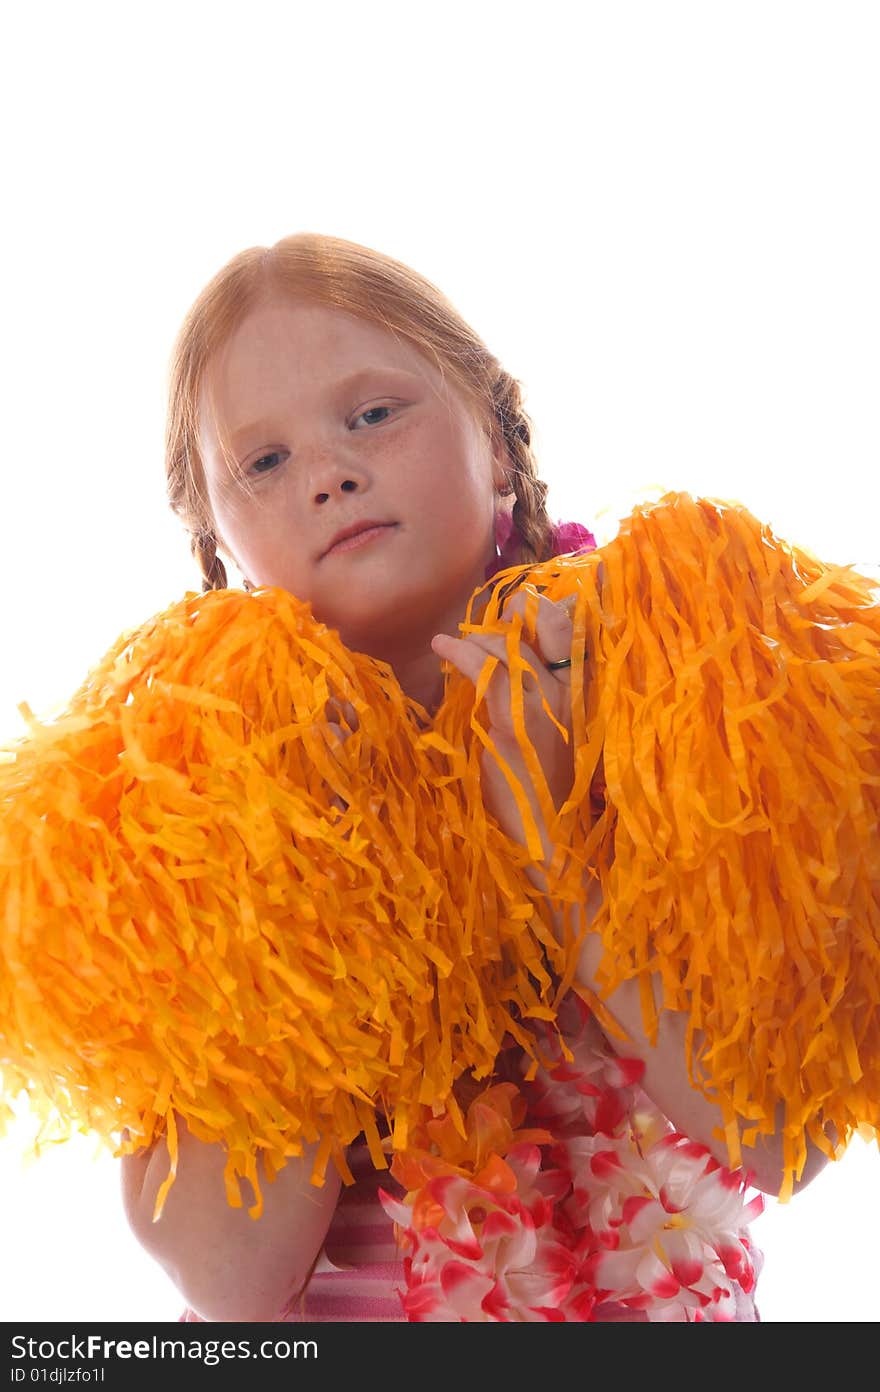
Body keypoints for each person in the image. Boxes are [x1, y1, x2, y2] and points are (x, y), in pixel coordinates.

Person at [119, 231, 832, 1323]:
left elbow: (782, 1134)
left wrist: (552, 848)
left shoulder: (667, 696)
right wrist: (341, 872)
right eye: (263, 462)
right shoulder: (197, 799)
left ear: (496, 442)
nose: (329, 472)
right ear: (216, 540)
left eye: (372, 413)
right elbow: (229, 1278)